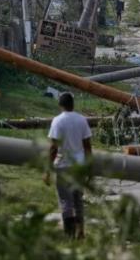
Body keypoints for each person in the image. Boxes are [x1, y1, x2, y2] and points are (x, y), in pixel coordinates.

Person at [44, 93, 93, 239]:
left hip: (64, 165)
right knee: (78, 200)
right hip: (79, 165)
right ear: (73, 104)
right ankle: (81, 232)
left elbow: (53, 148)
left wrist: (47, 169)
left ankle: (69, 235)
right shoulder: (82, 120)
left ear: (60, 105)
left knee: (66, 201)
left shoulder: (58, 121)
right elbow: (88, 146)